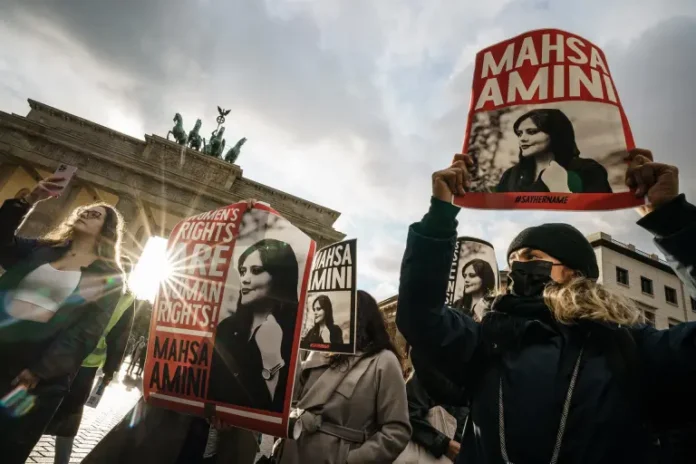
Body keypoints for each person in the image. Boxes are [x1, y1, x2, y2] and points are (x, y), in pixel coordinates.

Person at [397, 149, 696, 463]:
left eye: (532, 257)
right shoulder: (488, 340)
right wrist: (441, 214)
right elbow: (419, 316)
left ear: (573, 272)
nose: (517, 268)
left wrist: (672, 218)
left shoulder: (631, 347)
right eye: (513, 261)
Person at [0, 176, 126, 463]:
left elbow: (86, 331)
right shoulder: (40, 249)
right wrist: (28, 200)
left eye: (95, 214)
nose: (85, 212)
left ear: (106, 231)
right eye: (84, 210)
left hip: (33, 377)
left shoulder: (109, 276)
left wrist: (40, 370)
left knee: (7, 448)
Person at [276, 290, 411, 464]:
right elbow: (290, 400)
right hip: (293, 453)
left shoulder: (383, 361)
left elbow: (397, 431)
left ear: (359, 317)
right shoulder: (316, 351)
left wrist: (350, 460)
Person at [47, 257, 136, 464]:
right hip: (84, 362)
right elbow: (119, 336)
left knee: (56, 408)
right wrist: (109, 371)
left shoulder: (100, 287)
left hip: (68, 357)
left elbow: (119, 335)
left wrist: (110, 370)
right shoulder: (127, 297)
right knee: (70, 412)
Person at [208, 238, 299, 412]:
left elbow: (275, 408)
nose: (245, 279)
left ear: (279, 277)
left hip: (245, 434)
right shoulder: (226, 327)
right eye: (242, 271)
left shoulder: (293, 336)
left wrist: (271, 360)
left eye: (256, 271)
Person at [496, 108, 613, 193]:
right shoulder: (511, 176)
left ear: (555, 134)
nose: (522, 139)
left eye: (532, 132)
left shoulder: (588, 171)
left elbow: (601, 211)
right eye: (520, 133)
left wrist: (562, 189)